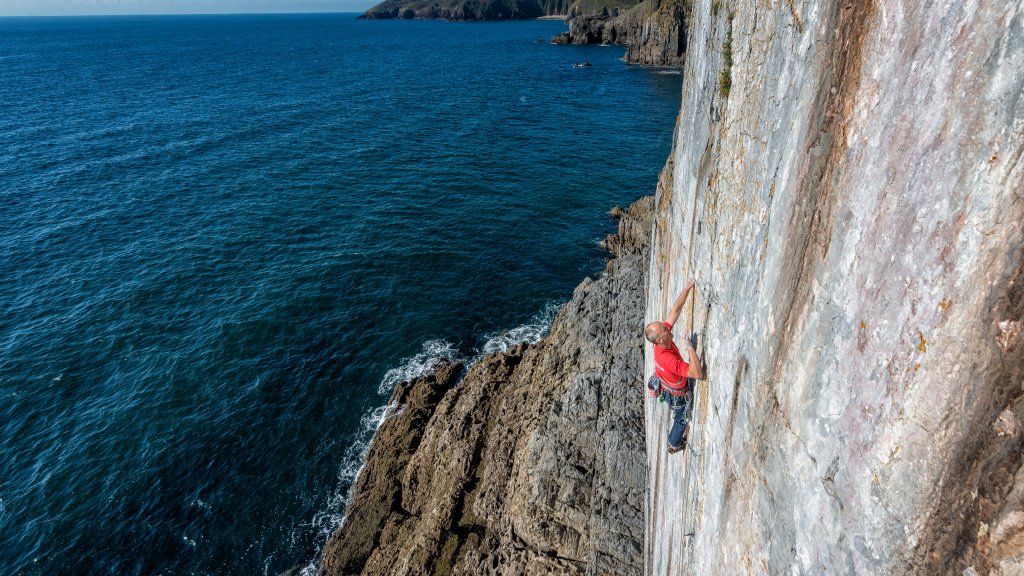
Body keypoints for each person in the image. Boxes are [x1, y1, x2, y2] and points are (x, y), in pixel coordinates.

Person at [644, 278, 704, 454]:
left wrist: (686, 289)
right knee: (682, 419)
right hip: (677, 396)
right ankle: (674, 444)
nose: (668, 328)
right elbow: (696, 373)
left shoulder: (660, 340)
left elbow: (675, 312)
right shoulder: (668, 359)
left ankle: (675, 434)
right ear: (660, 339)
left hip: (666, 388)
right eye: (665, 329)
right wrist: (690, 347)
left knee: (678, 412)